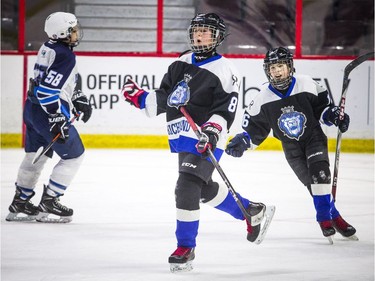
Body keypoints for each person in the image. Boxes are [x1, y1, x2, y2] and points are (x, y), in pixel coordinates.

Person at [121, 13, 275, 272]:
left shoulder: (226, 71)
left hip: (207, 138)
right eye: (196, 31)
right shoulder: (180, 62)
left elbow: (226, 110)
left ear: (218, 37)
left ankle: (185, 247)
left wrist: (212, 132)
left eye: (206, 31)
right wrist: (141, 98)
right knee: (202, 190)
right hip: (184, 136)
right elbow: (167, 97)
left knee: (186, 187)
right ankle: (251, 210)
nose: (200, 35)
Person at [225, 46, 357, 243]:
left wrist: (334, 116)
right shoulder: (261, 97)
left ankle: (324, 219)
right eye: (272, 68)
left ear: (289, 66)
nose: (276, 71)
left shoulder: (306, 83)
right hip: (291, 148)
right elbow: (254, 130)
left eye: (280, 66)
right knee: (314, 186)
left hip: (313, 137)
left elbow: (323, 109)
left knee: (320, 175)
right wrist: (243, 142)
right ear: (267, 71)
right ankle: (336, 217)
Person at [6, 12, 92, 223]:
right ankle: (50, 199)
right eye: (72, 30)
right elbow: (47, 91)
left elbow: (65, 79)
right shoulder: (65, 54)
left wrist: (77, 96)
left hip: (32, 109)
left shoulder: (49, 47)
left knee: (36, 154)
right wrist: (56, 117)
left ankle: (21, 200)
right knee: (74, 155)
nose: (76, 33)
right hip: (47, 111)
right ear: (62, 32)